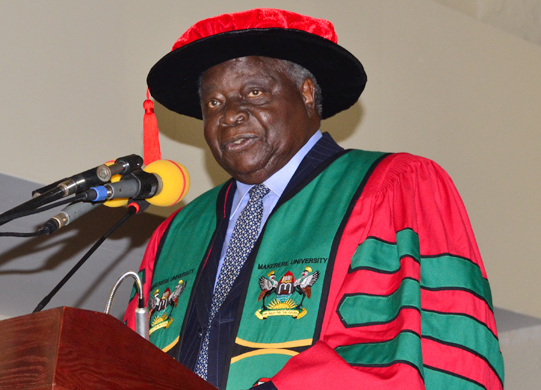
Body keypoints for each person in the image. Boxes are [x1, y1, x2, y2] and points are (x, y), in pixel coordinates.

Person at [125, 8, 504, 390]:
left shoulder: (390, 187)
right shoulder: (176, 234)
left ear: (306, 94)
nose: (230, 116)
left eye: (253, 92)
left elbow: (396, 346)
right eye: (213, 104)